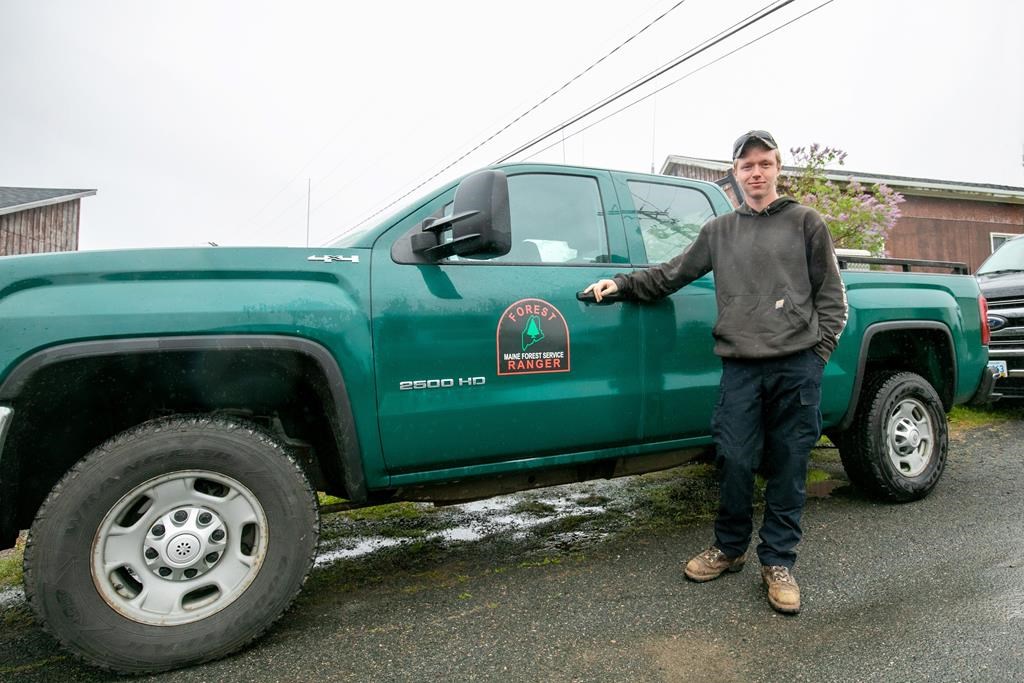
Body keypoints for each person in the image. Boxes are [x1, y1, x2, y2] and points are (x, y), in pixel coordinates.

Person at [584, 130, 848, 614]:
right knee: (733, 458)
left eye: (764, 163)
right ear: (735, 173)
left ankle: (778, 560)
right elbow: (671, 274)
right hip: (741, 368)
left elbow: (832, 296)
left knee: (790, 465)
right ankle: (729, 549)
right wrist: (619, 284)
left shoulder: (806, 222)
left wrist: (818, 355)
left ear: (777, 169)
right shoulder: (719, 231)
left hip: (796, 365)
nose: (756, 173)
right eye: (747, 165)